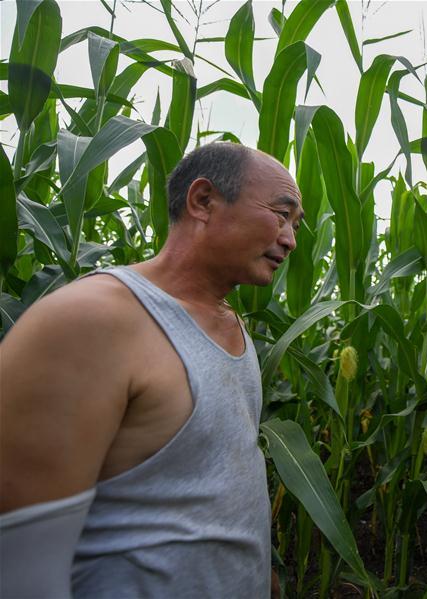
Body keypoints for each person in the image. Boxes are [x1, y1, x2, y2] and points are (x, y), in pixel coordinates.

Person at [0, 142, 304, 598]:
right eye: (281, 215)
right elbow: (24, 569)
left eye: (295, 226)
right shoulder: (91, 322)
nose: (290, 239)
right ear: (202, 201)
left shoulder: (232, 326)